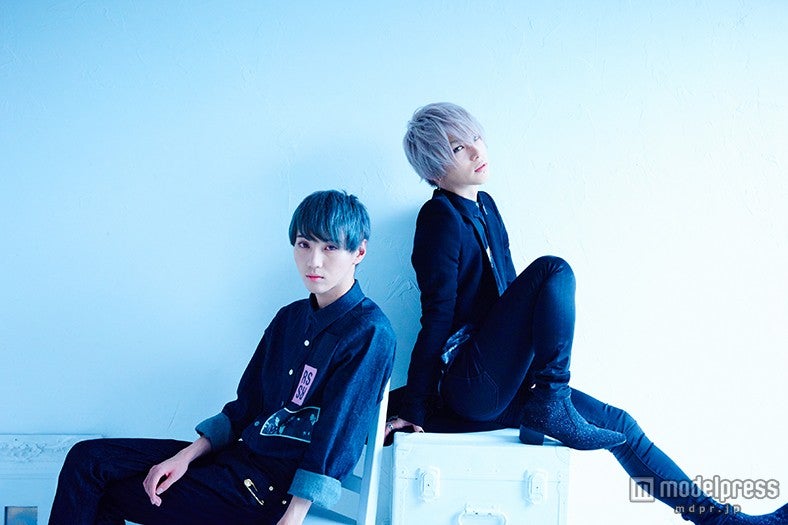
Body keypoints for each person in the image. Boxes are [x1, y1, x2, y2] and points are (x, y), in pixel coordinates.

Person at [385, 102, 787, 525]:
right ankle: (552, 398)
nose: (474, 151)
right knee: (553, 270)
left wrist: (530, 371)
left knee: (621, 427)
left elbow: (509, 305)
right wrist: (415, 409)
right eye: (456, 149)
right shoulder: (439, 218)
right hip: (471, 384)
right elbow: (436, 317)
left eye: (474, 138)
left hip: (508, 382)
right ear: (435, 172)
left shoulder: (486, 207)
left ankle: (721, 520)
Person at [50, 190, 396, 525]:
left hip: (268, 494)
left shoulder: (369, 332)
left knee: (101, 493)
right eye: (304, 244)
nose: (314, 261)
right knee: (88, 459)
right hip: (235, 460)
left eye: (330, 247)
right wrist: (185, 456)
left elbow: (338, 438)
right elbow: (245, 407)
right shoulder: (289, 319)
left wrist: (293, 517)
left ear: (359, 252)